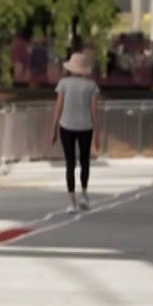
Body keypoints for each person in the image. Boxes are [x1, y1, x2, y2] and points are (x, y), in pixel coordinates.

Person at [52, 51, 101, 213]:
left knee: (70, 164)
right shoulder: (91, 86)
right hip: (85, 126)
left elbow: (58, 107)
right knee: (85, 161)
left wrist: (53, 128)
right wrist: (98, 133)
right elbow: (94, 111)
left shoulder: (63, 84)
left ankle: (71, 200)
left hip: (66, 126)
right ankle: (84, 195)